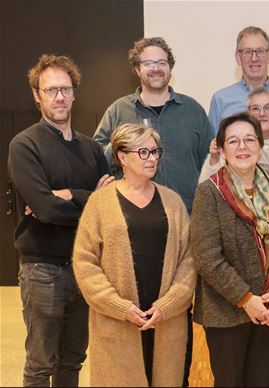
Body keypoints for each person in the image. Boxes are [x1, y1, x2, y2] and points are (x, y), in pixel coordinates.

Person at [93, 36, 212, 385]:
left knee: (176, 318)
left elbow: (211, 161)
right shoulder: (118, 110)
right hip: (134, 231)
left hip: (182, 231)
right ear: (137, 69)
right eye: (148, 62)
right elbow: (98, 154)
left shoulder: (192, 110)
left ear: (170, 67)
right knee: (133, 316)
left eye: (162, 62)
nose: (156, 68)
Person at [8, 54, 113, 386]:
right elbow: (47, 209)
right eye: (50, 90)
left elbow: (107, 206)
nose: (59, 97)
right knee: (41, 363)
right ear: (37, 95)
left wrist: (68, 193)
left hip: (85, 269)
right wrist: (87, 197)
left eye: (65, 89)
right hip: (42, 270)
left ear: (74, 92)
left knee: (72, 360)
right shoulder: (24, 145)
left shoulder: (92, 150)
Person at [72, 123, 195, 386]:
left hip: (165, 319)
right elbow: (85, 262)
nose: (152, 158)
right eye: (144, 152)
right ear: (122, 157)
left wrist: (169, 305)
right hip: (118, 320)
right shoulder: (99, 203)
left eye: (155, 151)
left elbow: (189, 260)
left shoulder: (173, 202)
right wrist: (119, 306)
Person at [190, 112, 269, 387]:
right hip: (226, 312)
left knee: (263, 381)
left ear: (260, 146)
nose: (242, 147)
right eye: (233, 141)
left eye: (249, 139)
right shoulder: (209, 192)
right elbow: (206, 257)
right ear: (222, 149)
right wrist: (247, 299)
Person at [208, 26, 269, 143]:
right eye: (247, 52)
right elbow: (213, 152)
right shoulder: (220, 100)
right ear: (238, 57)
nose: (254, 58)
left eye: (260, 51)